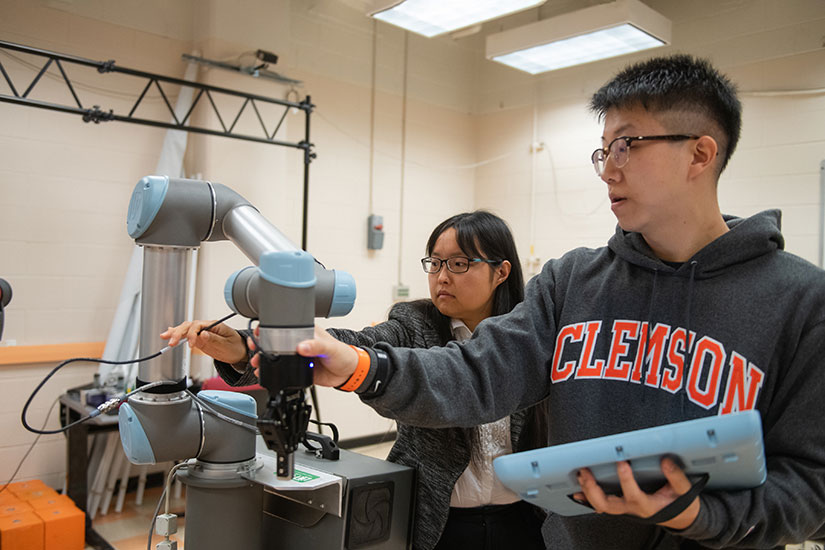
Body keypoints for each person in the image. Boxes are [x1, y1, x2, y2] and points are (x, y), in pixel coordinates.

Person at [292, 54, 825, 549]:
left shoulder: (800, 302)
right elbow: (478, 373)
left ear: (699, 154)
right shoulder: (572, 281)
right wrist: (361, 366)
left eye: (628, 145)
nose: (608, 170)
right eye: (604, 150)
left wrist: (698, 515)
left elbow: (808, 485)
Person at [161, 211, 548, 550]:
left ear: (501, 271)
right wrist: (246, 348)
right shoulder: (414, 324)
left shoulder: (530, 336)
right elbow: (355, 345)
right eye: (434, 263)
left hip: (523, 519)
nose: (442, 277)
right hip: (440, 521)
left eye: (459, 264)